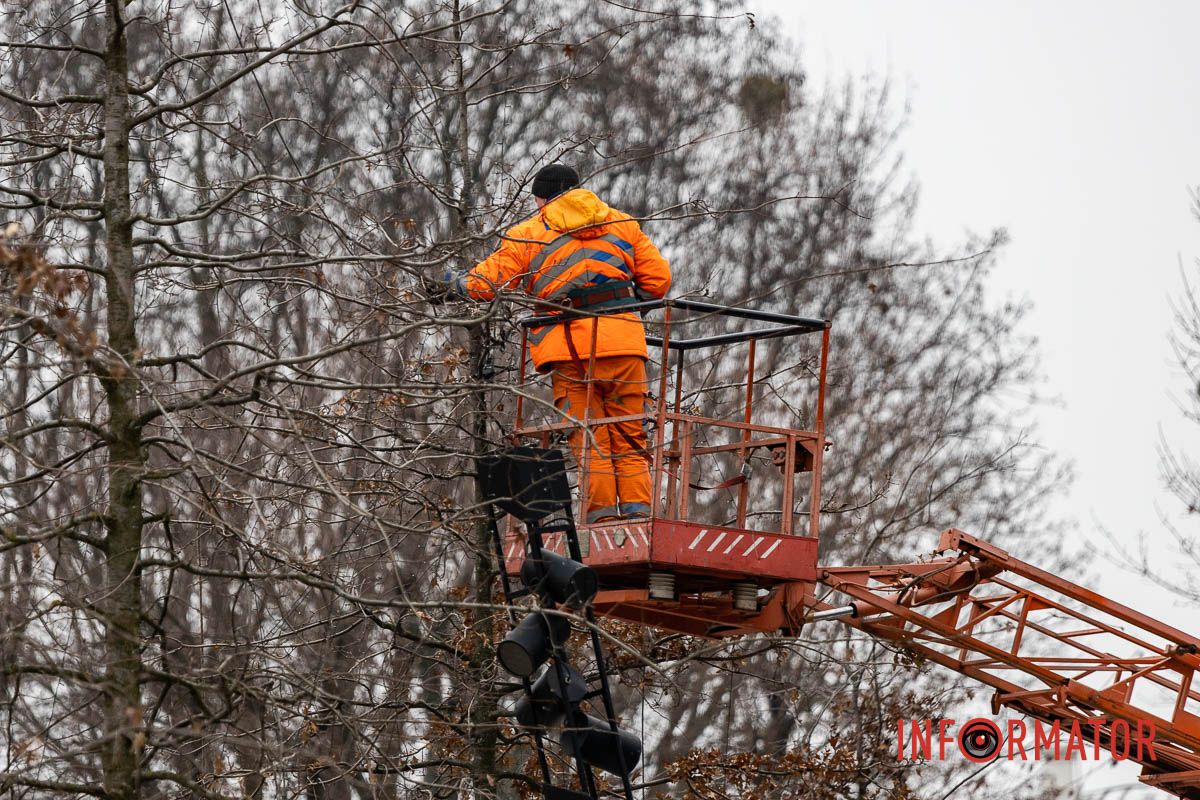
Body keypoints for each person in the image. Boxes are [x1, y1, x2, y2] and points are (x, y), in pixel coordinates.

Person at [448, 164, 671, 523]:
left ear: (541, 198)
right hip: (625, 344)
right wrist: (624, 305)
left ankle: (602, 520)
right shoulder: (621, 223)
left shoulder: (530, 232)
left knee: (589, 437)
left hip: (570, 351)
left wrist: (453, 283)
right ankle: (638, 519)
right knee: (630, 434)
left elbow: (484, 284)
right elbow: (659, 281)